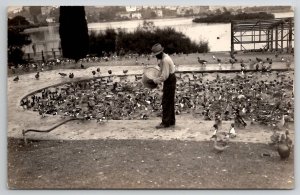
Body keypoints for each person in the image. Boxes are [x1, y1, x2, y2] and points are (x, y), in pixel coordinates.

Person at [151, 43, 176, 129]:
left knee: (166, 101)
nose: (156, 57)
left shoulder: (165, 60)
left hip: (169, 79)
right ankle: (171, 120)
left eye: (156, 55)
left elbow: (165, 76)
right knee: (170, 101)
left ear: (160, 53)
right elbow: (162, 71)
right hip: (171, 78)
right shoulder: (164, 58)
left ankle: (165, 122)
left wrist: (156, 80)